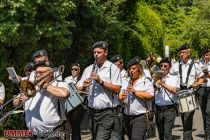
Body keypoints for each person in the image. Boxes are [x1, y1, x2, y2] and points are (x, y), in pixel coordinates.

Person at [13, 61, 70, 139]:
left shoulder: (59, 84)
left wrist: (45, 86)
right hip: (33, 135)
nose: (38, 75)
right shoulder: (31, 86)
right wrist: (20, 99)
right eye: (36, 72)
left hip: (52, 134)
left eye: (41, 72)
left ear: (51, 73)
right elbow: (14, 103)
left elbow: (64, 94)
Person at [76, 41, 121, 140]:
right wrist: (83, 86)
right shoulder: (88, 69)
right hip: (92, 112)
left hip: (107, 113)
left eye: (98, 52)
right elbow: (78, 90)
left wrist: (100, 81)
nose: (96, 55)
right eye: (94, 52)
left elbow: (117, 89)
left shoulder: (113, 68)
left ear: (106, 52)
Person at [172, 43, 205, 140]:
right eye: (180, 52)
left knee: (187, 120)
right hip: (179, 94)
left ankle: (186, 137)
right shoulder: (176, 65)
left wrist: (197, 83)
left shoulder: (195, 65)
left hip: (190, 94)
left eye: (184, 52)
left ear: (189, 53)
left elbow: (202, 78)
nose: (181, 54)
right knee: (184, 120)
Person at [118, 56, 154, 140]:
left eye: (134, 68)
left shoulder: (145, 81)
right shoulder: (125, 81)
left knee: (136, 138)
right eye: (130, 69)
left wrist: (135, 92)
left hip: (140, 116)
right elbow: (120, 95)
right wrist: (120, 97)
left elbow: (151, 97)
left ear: (139, 69)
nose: (131, 71)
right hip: (127, 116)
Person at [154, 57, 180, 140]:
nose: (163, 68)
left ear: (170, 67)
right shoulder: (156, 77)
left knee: (167, 132)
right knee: (160, 133)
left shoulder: (174, 77)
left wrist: (162, 84)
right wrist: (154, 82)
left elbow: (174, 90)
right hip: (158, 108)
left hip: (170, 108)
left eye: (165, 66)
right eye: (161, 65)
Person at [64, 63, 86, 140]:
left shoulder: (82, 79)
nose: (73, 71)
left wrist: (74, 88)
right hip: (69, 105)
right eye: (72, 69)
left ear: (79, 71)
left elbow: (82, 89)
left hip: (79, 106)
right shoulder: (67, 79)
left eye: (76, 69)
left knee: (75, 125)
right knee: (72, 126)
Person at [198, 47, 210, 140]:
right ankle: (206, 132)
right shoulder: (199, 64)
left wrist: (208, 75)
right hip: (202, 89)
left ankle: (208, 135)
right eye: (205, 55)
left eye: (208, 55)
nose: (206, 57)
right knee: (203, 113)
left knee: (208, 112)